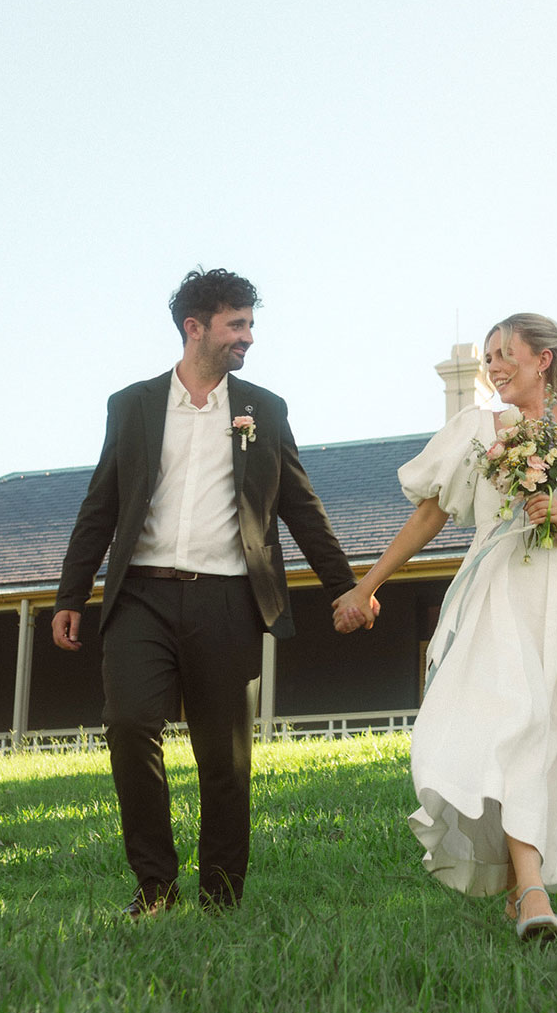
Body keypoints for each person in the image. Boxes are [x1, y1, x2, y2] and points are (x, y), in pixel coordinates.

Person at [333, 313, 557, 940]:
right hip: (495, 591)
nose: (494, 366)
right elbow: (430, 516)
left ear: (545, 359)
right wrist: (367, 584)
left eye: (506, 352)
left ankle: (524, 889)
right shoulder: (478, 431)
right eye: (488, 356)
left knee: (545, 732)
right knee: (511, 724)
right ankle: (533, 891)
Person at [53, 267, 359, 916]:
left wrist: (344, 587)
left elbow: (299, 504)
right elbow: (100, 505)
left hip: (228, 599)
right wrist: (69, 594)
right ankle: (155, 884)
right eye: (236, 325)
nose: (248, 336)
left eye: (250, 323)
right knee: (130, 722)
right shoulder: (131, 405)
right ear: (195, 328)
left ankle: (221, 897)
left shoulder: (263, 409)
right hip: (140, 595)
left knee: (224, 755)